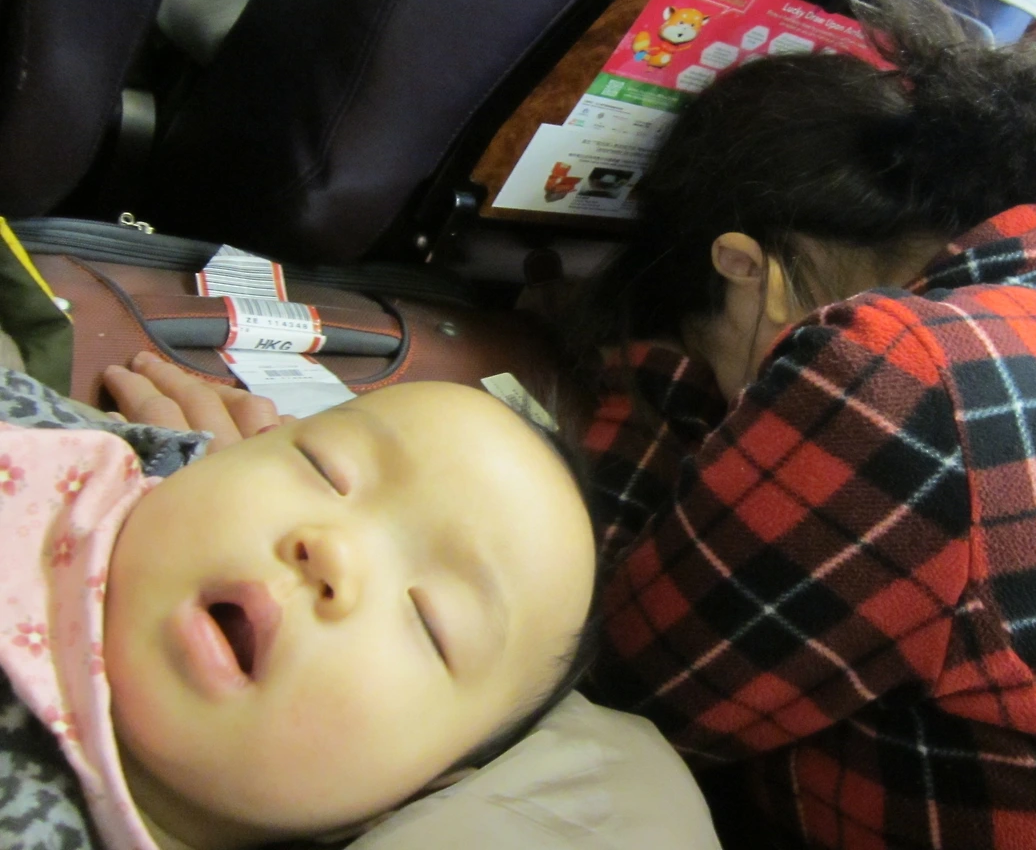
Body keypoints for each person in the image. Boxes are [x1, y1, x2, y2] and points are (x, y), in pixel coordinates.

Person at [573, 0, 1036, 849]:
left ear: (744, 267)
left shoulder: (900, 365)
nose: (741, 409)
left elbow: (616, 682)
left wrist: (652, 376)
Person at [0, 356, 600, 850]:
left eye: (431, 622)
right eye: (324, 467)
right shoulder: (55, 438)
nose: (333, 550)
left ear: (413, 797)